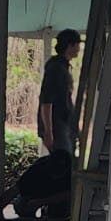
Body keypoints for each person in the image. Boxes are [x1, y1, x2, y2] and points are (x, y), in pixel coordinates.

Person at [38, 28, 82, 156]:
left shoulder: (62, 66)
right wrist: (48, 132)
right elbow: (46, 101)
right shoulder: (55, 68)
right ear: (70, 45)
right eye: (77, 44)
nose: (79, 48)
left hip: (64, 124)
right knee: (62, 161)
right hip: (57, 126)